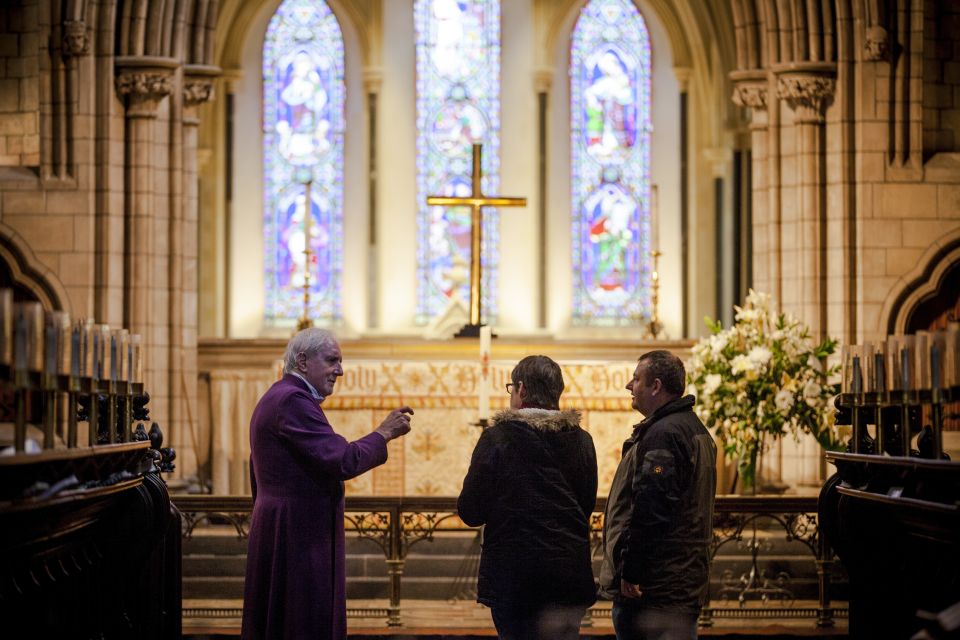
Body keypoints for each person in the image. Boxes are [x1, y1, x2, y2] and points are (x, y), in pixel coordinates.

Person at [241, 328, 414, 640]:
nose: (341, 370)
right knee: (302, 621)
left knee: (281, 619)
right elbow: (341, 460)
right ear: (303, 361)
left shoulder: (277, 395)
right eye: (333, 360)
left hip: (284, 524)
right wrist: (383, 433)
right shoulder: (293, 400)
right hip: (298, 534)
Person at [458, 355, 598, 640]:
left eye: (511, 388)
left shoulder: (498, 438)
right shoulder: (583, 441)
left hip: (515, 578)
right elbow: (585, 506)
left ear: (521, 390)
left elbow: (471, 511)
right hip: (567, 575)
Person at [599, 350, 716, 640]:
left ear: (656, 386)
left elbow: (652, 508)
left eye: (637, 379)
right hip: (681, 580)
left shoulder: (663, 434)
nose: (629, 385)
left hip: (656, 588)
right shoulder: (693, 427)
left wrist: (632, 571)